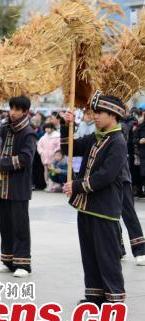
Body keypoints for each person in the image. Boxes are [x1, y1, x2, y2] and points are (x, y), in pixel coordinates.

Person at [60, 91, 127, 306]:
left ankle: (114, 299)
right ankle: (95, 296)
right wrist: (66, 126)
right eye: (94, 112)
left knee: (107, 256)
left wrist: (77, 185)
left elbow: (106, 175)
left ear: (113, 115)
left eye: (99, 113)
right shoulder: (96, 137)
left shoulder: (117, 141)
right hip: (87, 206)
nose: (95, 116)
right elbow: (68, 149)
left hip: (104, 208)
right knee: (89, 254)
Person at [0, 96, 37, 277]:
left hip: (18, 186)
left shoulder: (28, 132)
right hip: (2, 185)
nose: (13, 113)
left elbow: (26, 159)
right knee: (4, 224)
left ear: (25, 112)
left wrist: (0, 162)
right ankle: (8, 260)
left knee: (20, 226)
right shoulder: (4, 128)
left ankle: (23, 264)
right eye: (11, 108)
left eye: (17, 110)